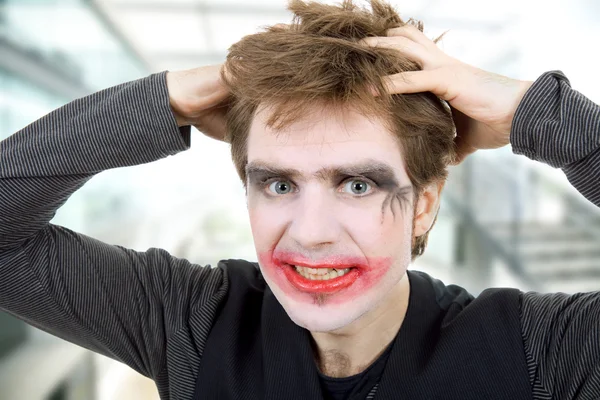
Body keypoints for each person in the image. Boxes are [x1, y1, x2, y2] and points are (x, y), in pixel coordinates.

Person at [1, 0, 599, 399]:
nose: (311, 232)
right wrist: (168, 101)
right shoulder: (195, 322)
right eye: (280, 184)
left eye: (357, 184)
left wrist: (541, 115)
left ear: (424, 203)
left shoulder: (538, 353)